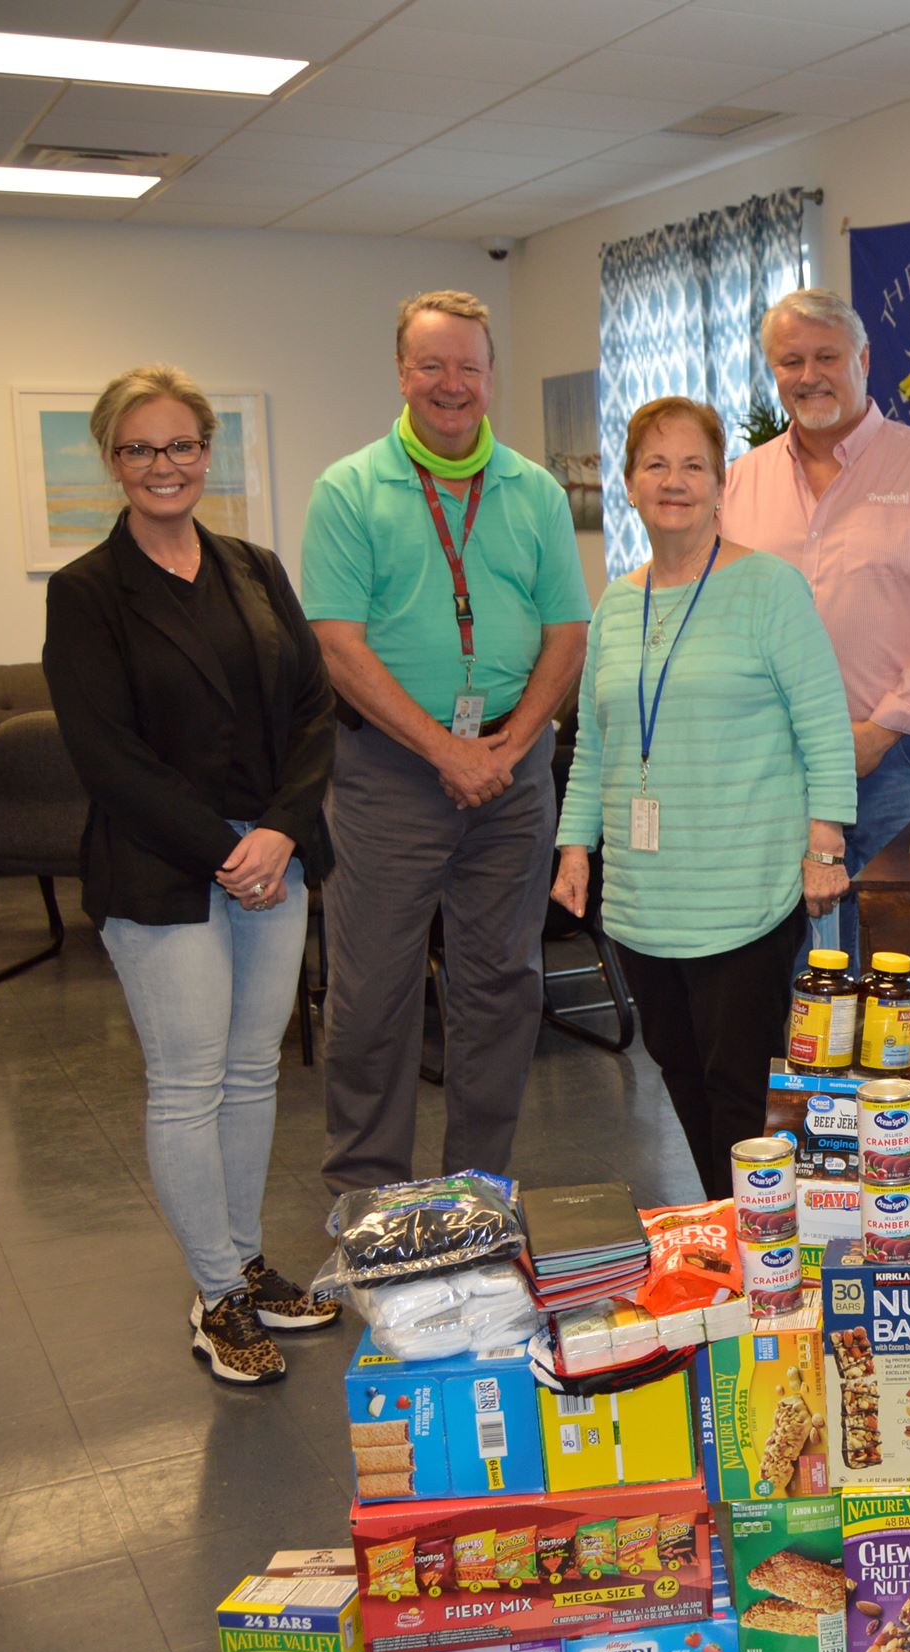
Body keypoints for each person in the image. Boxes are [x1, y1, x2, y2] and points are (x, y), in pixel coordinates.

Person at [43, 363, 342, 1384]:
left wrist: (281, 831)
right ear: (112, 460)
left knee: (252, 1070)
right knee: (187, 1080)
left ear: (208, 454)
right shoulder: (88, 593)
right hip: (162, 866)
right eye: (140, 448)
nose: (162, 464)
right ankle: (215, 1295)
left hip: (272, 856)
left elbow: (313, 707)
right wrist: (226, 849)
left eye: (180, 445)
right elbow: (106, 754)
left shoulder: (254, 567)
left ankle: (245, 1262)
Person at [302, 290, 591, 1195]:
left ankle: (476, 1193)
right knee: (374, 996)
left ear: (492, 376)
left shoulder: (535, 493)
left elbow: (567, 635)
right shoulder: (350, 489)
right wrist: (445, 750)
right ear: (401, 372)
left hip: (513, 769)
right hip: (389, 773)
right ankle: (370, 1204)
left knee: (502, 988)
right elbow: (339, 646)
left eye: (469, 365)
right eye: (432, 364)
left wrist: (508, 746)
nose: (451, 383)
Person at [554, 398, 857, 1200]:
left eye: (693, 465)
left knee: (740, 1083)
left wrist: (824, 844)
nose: (675, 481)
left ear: (721, 484)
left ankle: (757, 1239)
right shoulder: (617, 605)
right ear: (629, 484)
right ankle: (731, 1217)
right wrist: (575, 847)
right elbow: (596, 743)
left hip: (745, 889)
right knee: (680, 1069)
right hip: (646, 898)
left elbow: (824, 724)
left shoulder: (768, 588)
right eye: (656, 465)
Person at [720, 286, 910, 952]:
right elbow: (723, 616)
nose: (808, 375)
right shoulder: (739, 484)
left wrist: (882, 727)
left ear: (864, 359)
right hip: (781, 764)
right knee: (798, 968)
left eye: (826, 357)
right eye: (790, 361)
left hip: (909, 760)